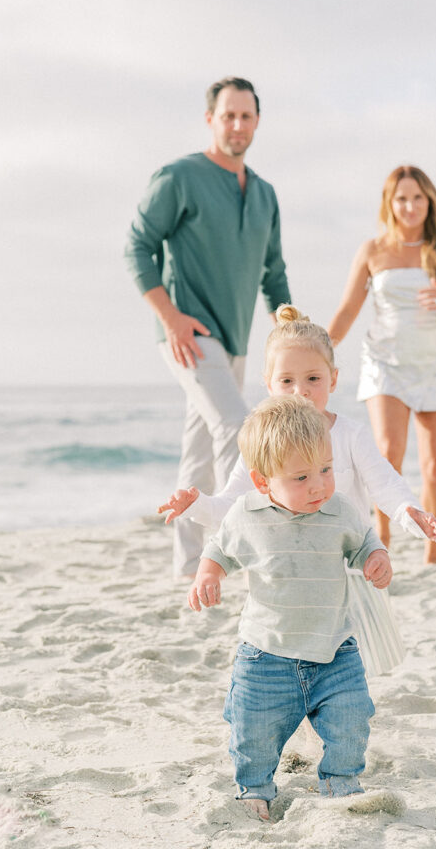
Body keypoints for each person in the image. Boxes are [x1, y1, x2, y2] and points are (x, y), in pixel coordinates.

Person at [159, 305, 436, 675]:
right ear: (268, 383)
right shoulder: (262, 442)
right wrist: (196, 504)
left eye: (313, 378)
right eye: (286, 381)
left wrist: (411, 513)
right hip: (284, 583)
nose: (301, 391)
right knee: (289, 663)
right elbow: (232, 507)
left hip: (345, 577)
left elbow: (386, 484)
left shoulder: (351, 435)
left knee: (348, 666)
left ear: (333, 378)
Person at [190, 395, 392, 821]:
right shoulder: (247, 514)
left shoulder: (339, 511)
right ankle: (255, 788)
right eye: (301, 477)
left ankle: (341, 781)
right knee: (254, 732)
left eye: (326, 469)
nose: (318, 484)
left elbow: (364, 544)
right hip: (265, 655)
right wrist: (208, 574)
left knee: (351, 721)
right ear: (264, 482)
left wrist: (376, 559)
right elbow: (220, 549)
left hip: (335, 651)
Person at [125, 77, 290, 577]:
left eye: (246, 116)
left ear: (257, 121)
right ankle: (230, 554)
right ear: (210, 120)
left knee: (197, 453)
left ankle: (187, 563)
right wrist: (171, 318)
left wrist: (289, 333)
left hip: (237, 340)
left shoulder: (264, 194)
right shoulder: (179, 177)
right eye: (228, 116)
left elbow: (274, 272)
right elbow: (138, 246)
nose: (237, 125)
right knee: (237, 429)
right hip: (190, 337)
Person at [327, 165, 436, 565]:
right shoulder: (373, 250)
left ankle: (432, 552)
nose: (410, 206)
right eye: (402, 198)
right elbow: (348, 310)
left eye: (418, 197)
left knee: (435, 467)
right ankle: (381, 536)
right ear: (389, 203)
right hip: (385, 363)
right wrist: (319, 350)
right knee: (388, 453)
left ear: (429, 200)